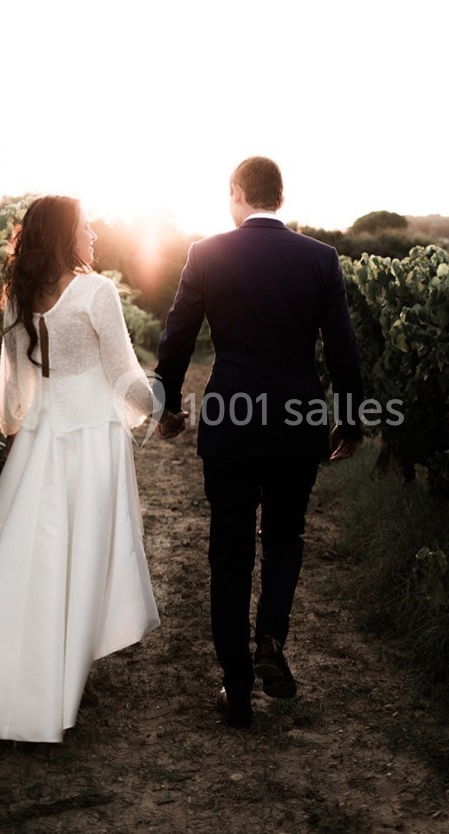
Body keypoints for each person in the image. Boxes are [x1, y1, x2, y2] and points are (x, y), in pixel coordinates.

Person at [0, 195, 160, 742]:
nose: (94, 236)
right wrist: (163, 409)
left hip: (42, 438)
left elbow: (13, 389)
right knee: (85, 551)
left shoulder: (20, 296)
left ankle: (31, 668)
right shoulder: (97, 292)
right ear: (64, 235)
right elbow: (126, 377)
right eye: (86, 227)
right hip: (92, 441)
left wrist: (17, 430)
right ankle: (67, 673)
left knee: (36, 556)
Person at [154, 157, 363, 729]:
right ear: (281, 196)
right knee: (285, 535)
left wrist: (168, 404)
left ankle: (236, 683)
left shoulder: (205, 254)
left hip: (230, 417)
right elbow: (343, 350)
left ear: (236, 194)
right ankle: (270, 638)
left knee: (230, 547)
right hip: (298, 422)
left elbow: (176, 338)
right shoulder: (321, 259)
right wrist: (350, 420)